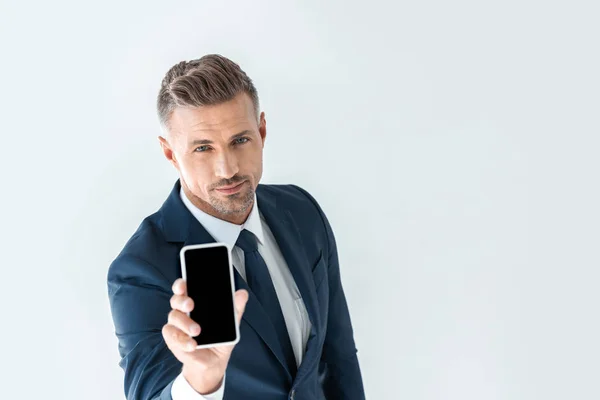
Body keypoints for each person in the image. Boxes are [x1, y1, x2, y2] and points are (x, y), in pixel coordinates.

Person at [107, 54, 365, 400]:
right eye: (202, 148)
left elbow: (339, 357)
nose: (227, 169)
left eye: (240, 140)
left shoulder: (302, 212)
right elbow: (148, 393)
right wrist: (201, 381)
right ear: (170, 153)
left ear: (261, 131)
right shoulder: (140, 270)